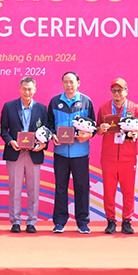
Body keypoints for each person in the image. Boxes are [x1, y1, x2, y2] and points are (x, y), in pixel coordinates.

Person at [46, 72, 95, 234]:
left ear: (78, 83)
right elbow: (49, 125)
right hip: (60, 152)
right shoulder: (55, 101)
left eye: (72, 82)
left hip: (80, 152)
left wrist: (88, 135)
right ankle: (60, 221)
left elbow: (93, 126)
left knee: (81, 187)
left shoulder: (86, 102)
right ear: (62, 84)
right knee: (61, 187)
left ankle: (82, 222)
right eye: (66, 82)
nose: (69, 85)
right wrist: (53, 135)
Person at [0, 77, 48, 233]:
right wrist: (11, 141)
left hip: (34, 153)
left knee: (33, 189)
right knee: (15, 188)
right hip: (15, 153)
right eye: (24, 88)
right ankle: (15, 221)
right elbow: (3, 129)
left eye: (30, 89)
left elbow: (47, 130)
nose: (27, 92)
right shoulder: (9, 106)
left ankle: (31, 222)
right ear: (19, 89)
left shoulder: (42, 108)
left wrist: (43, 143)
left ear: (35, 90)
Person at [96, 78, 138, 235]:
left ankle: (127, 220)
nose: (117, 93)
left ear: (126, 91)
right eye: (114, 90)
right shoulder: (104, 108)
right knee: (109, 191)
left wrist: (137, 132)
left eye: (120, 90)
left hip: (128, 157)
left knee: (128, 190)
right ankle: (110, 220)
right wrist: (101, 129)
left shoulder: (134, 108)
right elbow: (97, 129)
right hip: (108, 156)